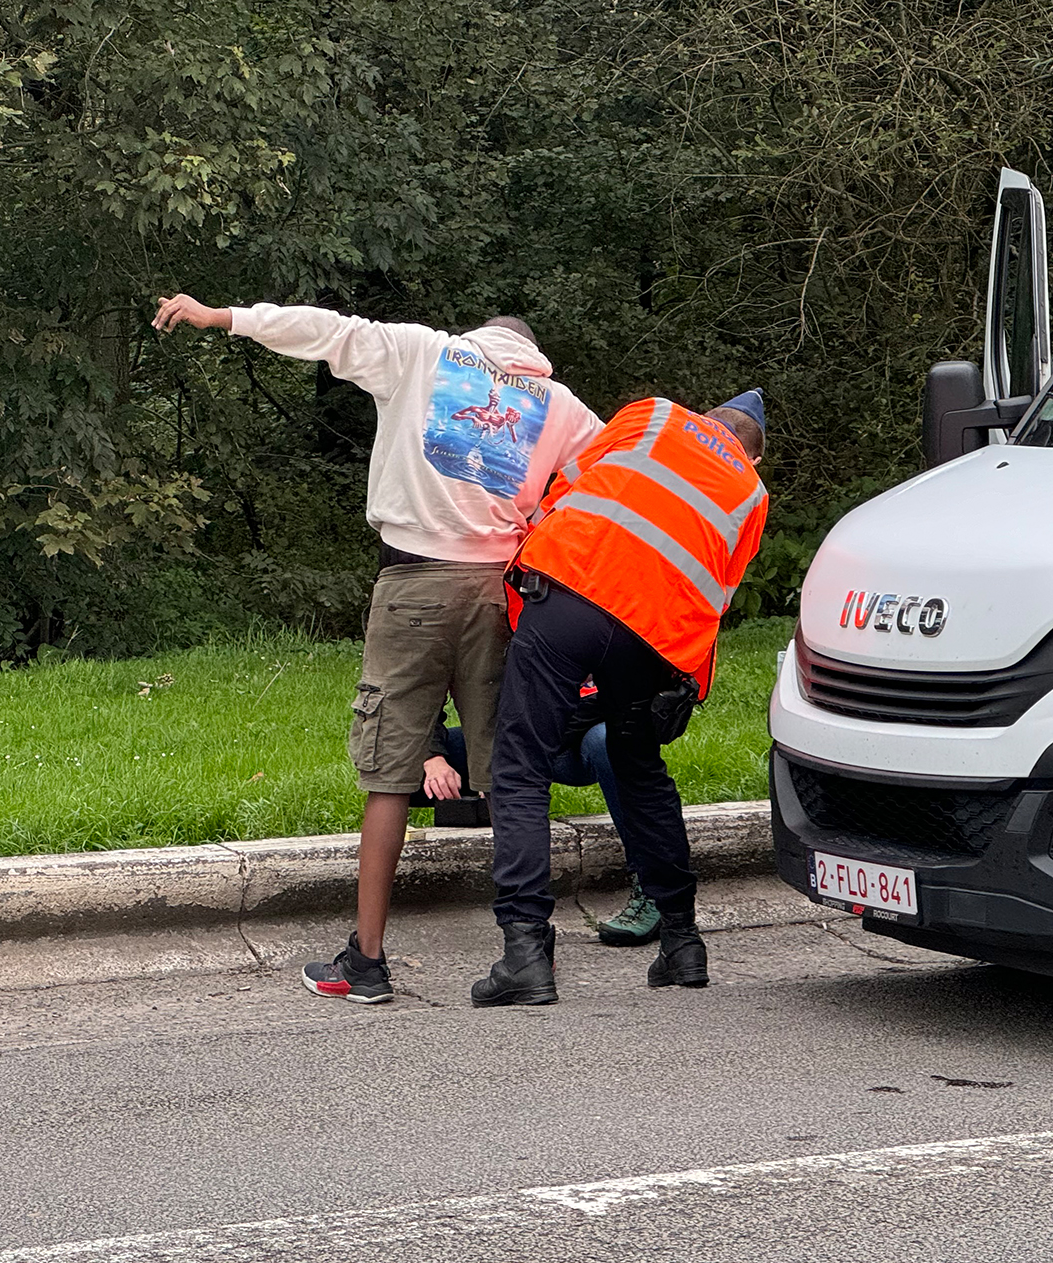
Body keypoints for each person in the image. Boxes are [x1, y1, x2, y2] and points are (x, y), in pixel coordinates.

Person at [152, 293, 603, 1004]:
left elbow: (326, 331)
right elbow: (610, 480)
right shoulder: (558, 403)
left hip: (413, 585)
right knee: (513, 776)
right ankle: (527, 957)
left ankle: (365, 963)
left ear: (478, 337)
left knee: (390, 774)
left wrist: (222, 317)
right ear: (528, 352)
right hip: (500, 592)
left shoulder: (425, 352)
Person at [471, 390, 769, 1007]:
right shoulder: (752, 494)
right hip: (653, 638)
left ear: (707, 419)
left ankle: (525, 953)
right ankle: (684, 945)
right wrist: (684, 684)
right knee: (640, 770)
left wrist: (529, 572)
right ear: (752, 455)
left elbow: (565, 485)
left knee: (520, 764)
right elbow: (717, 593)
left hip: (573, 589)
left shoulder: (656, 415)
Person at [420, 682, 660, 945]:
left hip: (575, 736)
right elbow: (425, 689)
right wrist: (435, 756)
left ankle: (653, 885)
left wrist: (516, 751)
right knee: (406, 769)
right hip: (510, 737)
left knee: (609, 741)